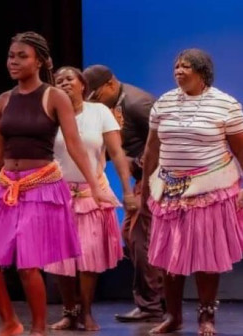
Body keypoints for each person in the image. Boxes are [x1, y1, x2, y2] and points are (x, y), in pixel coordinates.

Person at [0, 32, 116, 336]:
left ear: (39, 61)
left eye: (22, 56)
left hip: (41, 187)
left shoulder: (54, 97)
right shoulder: (3, 100)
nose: (13, 62)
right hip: (8, 187)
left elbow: (74, 145)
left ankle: (38, 330)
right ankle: (10, 323)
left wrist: (95, 186)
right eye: (10, 56)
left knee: (28, 265)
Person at [142, 48, 243, 336]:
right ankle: (173, 317)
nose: (178, 70)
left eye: (185, 66)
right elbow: (152, 149)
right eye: (176, 66)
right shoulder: (163, 102)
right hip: (170, 190)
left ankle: (206, 318)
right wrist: (146, 189)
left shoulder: (226, 104)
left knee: (206, 259)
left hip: (210, 190)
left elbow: (241, 149)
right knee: (168, 259)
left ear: (202, 72)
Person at [44, 66, 136, 331]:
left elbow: (117, 154)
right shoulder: (51, 115)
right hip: (58, 195)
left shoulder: (100, 112)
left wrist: (127, 190)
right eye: (58, 81)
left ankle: (86, 312)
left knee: (88, 257)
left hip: (91, 193)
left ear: (82, 84)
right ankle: (69, 312)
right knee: (62, 259)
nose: (64, 83)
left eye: (69, 79)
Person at [83, 64, 165, 322]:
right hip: (141, 179)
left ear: (110, 84)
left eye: (94, 96)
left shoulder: (138, 104)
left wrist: (134, 164)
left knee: (140, 238)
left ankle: (152, 305)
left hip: (154, 179)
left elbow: (163, 144)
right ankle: (157, 299)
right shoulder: (108, 105)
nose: (92, 102)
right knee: (131, 238)